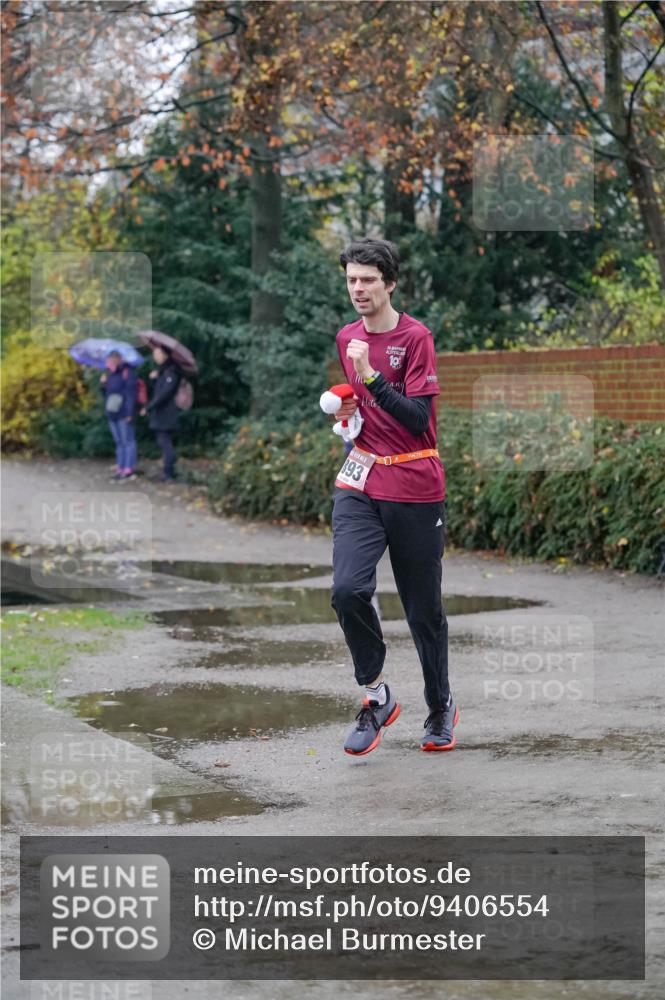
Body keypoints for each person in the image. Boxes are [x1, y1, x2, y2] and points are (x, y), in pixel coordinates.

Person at [331, 237, 456, 756]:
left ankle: (440, 706)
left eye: (367, 280)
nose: (357, 289)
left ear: (390, 284)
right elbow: (367, 411)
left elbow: (418, 422)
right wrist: (348, 415)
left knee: (422, 610)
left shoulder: (416, 337)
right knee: (346, 589)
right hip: (360, 481)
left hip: (413, 485)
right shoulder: (346, 336)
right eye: (351, 280)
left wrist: (371, 378)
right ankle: (376, 696)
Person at [143, 346, 182, 482]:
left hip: (167, 412)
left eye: (158, 354)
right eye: (154, 354)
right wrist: (155, 379)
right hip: (163, 411)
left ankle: (169, 472)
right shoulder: (164, 371)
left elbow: (165, 393)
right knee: (164, 440)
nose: (155, 357)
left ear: (165, 355)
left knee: (164, 440)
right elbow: (159, 390)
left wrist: (150, 407)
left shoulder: (171, 371)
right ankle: (168, 470)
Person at [101, 350, 137, 481]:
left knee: (128, 440)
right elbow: (107, 395)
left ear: (119, 359)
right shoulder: (110, 374)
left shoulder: (127, 373)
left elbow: (131, 394)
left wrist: (129, 412)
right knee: (118, 442)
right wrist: (103, 385)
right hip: (112, 412)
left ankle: (129, 468)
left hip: (123, 412)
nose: (109, 362)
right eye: (109, 359)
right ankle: (120, 467)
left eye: (112, 359)